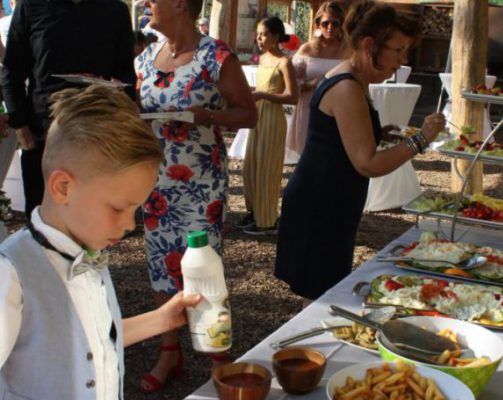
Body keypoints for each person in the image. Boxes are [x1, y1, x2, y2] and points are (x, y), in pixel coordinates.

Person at [0, 85, 202, 399]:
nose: (129, 224)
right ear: (63, 187)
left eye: (136, 210)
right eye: (119, 208)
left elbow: (92, 340)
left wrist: (162, 318)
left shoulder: (87, 249)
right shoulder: (11, 273)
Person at [275, 0, 446, 308]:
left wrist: (377, 132)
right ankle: (302, 354)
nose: (402, 59)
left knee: (320, 295)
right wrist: (421, 139)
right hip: (320, 206)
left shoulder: (353, 78)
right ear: (368, 45)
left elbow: (336, 136)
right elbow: (368, 163)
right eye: (397, 49)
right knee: (318, 302)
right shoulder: (348, 87)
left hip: (328, 200)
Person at [136, 0, 256, 392]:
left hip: (201, 181)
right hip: (155, 182)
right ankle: (170, 350)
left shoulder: (215, 55)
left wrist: (209, 116)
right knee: (160, 263)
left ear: (181, 5)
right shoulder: (148, 56)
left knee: (203, 266)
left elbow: (248, 114)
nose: (147, 3)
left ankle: (218, 354)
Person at [0, 0, 136, 220]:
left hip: (97, 135)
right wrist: (21, 128)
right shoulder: (32, 6)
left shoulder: (115, 10)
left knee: (92, 221)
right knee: (43, 220)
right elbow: (12, 71)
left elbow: (126, 75)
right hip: (43, 137)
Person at [238, 17, 299, 235]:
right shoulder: (262, 59)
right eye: (258, 34)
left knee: (267, 169)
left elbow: (293, 97)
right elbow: (261, 86)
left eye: (263, 34)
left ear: (275, 36)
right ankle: (254, 212)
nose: (259, 38)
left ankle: (267, 220)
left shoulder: (285, 62)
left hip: (273, 118)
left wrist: (262, 94)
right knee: (251, 166)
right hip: (257, 116)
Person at [287, 1, 345, 160]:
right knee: (310, 156)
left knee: (334, 154)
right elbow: (291, 83)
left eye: (335, 23)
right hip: (309, 108)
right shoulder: (307, 49)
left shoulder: (347, 51)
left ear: (341, 26)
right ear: (318, 24)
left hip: (340, 109)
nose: (330, 27)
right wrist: (311, 84)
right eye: (325, 23)